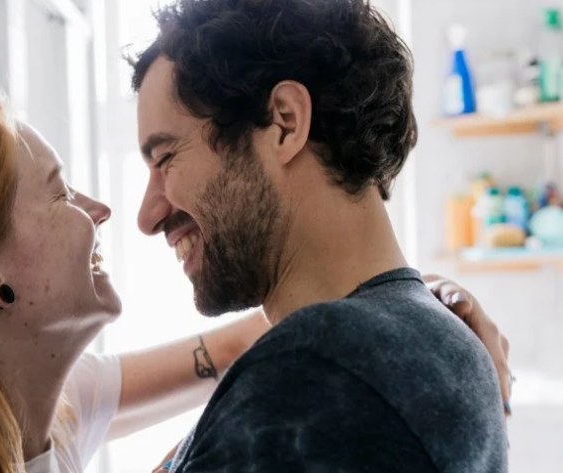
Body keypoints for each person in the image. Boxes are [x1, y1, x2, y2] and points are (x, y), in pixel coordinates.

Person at [0, 99, 508, 473]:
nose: (110, 211)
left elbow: (268, 335)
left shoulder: (50, 420)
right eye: (60, 193)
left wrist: (415, 304)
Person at [128, 0, 509, 471]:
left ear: (284, 122)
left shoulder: (316, 369)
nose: (147, 217)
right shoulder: (429, 342)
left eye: (166, 158)